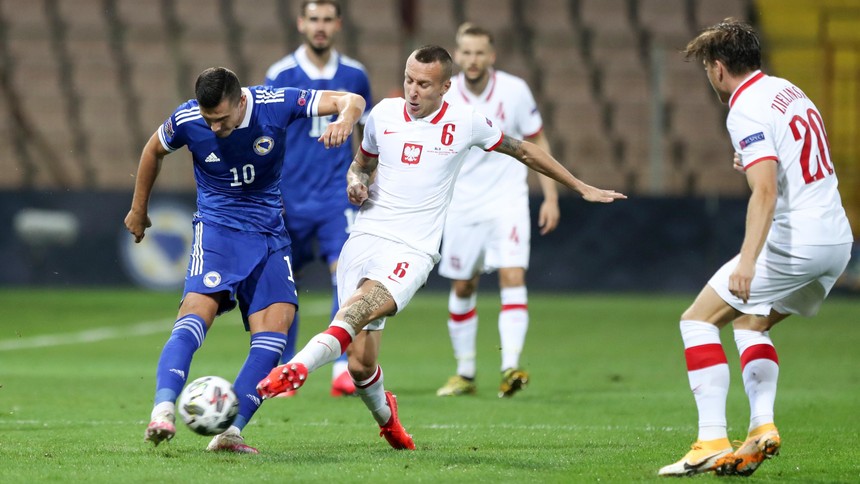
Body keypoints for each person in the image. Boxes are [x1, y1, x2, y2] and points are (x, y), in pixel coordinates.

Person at [256, 45, 625, 450]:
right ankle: (389, 421)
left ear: (446, 87)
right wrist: (355, 183)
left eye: (424, 84)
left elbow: (523, 149)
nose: (413, 91)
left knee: (355, 310)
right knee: (361, 364)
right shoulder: (383, 115)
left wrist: (580, 186)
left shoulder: (465, 122)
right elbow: (361, 163)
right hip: (365, 238)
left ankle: (296, 368)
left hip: (413, 249)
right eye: (408, 80)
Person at [125, 67, 365, 453]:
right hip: (218, 229)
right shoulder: (188, 118)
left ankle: (230, 433)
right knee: (195, 314)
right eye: (209, 120)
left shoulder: (275, 103)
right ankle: (163, 410)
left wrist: (345, 119)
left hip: (270, 233)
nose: (215, 127)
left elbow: (349, 100)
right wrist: (139, 210)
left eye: (222, 118)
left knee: (275, 333)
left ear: (240, 102)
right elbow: (153, 148)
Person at [658, 19, 853, 477]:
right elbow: (793, 158)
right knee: (751, 323)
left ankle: (710, 440)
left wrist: (747, 261)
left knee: (697, 320)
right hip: (836, 240)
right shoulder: (788, 90)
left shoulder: (743, 109)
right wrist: (752, 160)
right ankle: (761, 428)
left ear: (719, 68)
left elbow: (763, 192)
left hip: (797, 241)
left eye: (708, 67)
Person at [435, 23, 559, 399]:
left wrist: (550, 196)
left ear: (492, 56)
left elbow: (536, 138)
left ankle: (511, 367)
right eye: (466, 52)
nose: (473, 60)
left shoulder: (515, 90)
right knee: (464, 284)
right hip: (461, 203)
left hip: (508, 199)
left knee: (511, 274)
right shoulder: (445, 95)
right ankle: (465, 372)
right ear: (458, 56)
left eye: (479, 53)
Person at [264, 0, 373, 398]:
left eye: (327, 19)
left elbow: (367, 134)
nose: (320, 27)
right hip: (288, 195)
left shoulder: (355, 75)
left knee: (346, 276)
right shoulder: (280, 74)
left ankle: (341, 366)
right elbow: (267, 134)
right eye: (314, 19)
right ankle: (284, 365)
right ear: (301, 24)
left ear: (338, 24)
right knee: (283, 283)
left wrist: (363, 175)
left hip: (335, 196)